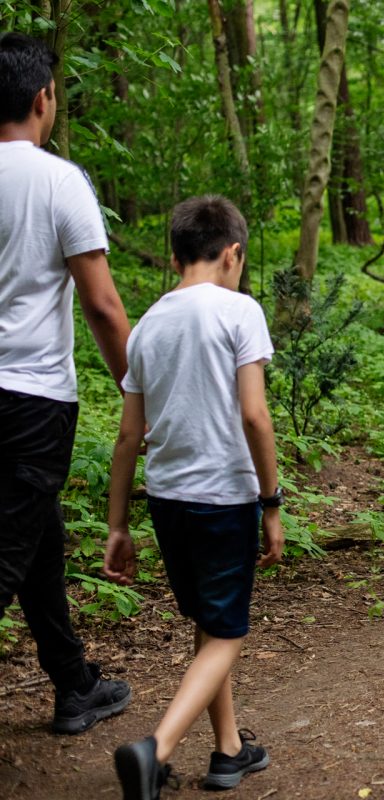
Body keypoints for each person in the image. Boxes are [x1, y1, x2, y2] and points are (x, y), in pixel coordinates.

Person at [103, 196, 282, 799]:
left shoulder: (148, 325)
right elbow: (255, 416)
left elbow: (129, 436)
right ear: (232, 253)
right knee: (227, 633)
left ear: (176, 256)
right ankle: (154, 750)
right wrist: (271, 502)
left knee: (209, 621)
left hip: (168, 498)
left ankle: (228, 750)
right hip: (224, 497)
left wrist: (117, 525)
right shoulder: (239, 310)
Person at [0, 31, 132, 735]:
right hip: (31, 399)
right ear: (42, 98)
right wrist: (140, 391)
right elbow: (102, 305)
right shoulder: (58, 181)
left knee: (37, 540)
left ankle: (73, 682)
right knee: (8, 554)